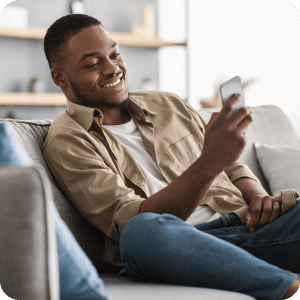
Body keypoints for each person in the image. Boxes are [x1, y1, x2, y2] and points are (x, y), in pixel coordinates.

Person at [42, 14, 300, 300]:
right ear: (60, 78)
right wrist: (209, 164)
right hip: (179, 246)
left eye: (115, 54)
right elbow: (131, 222)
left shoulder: (169, 103)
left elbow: (229, 161)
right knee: (141, 234)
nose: (112, 68)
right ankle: (283, 286)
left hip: (248, 224)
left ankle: (251, 266)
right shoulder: (68, 139)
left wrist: (258, 197)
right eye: (92, 63)